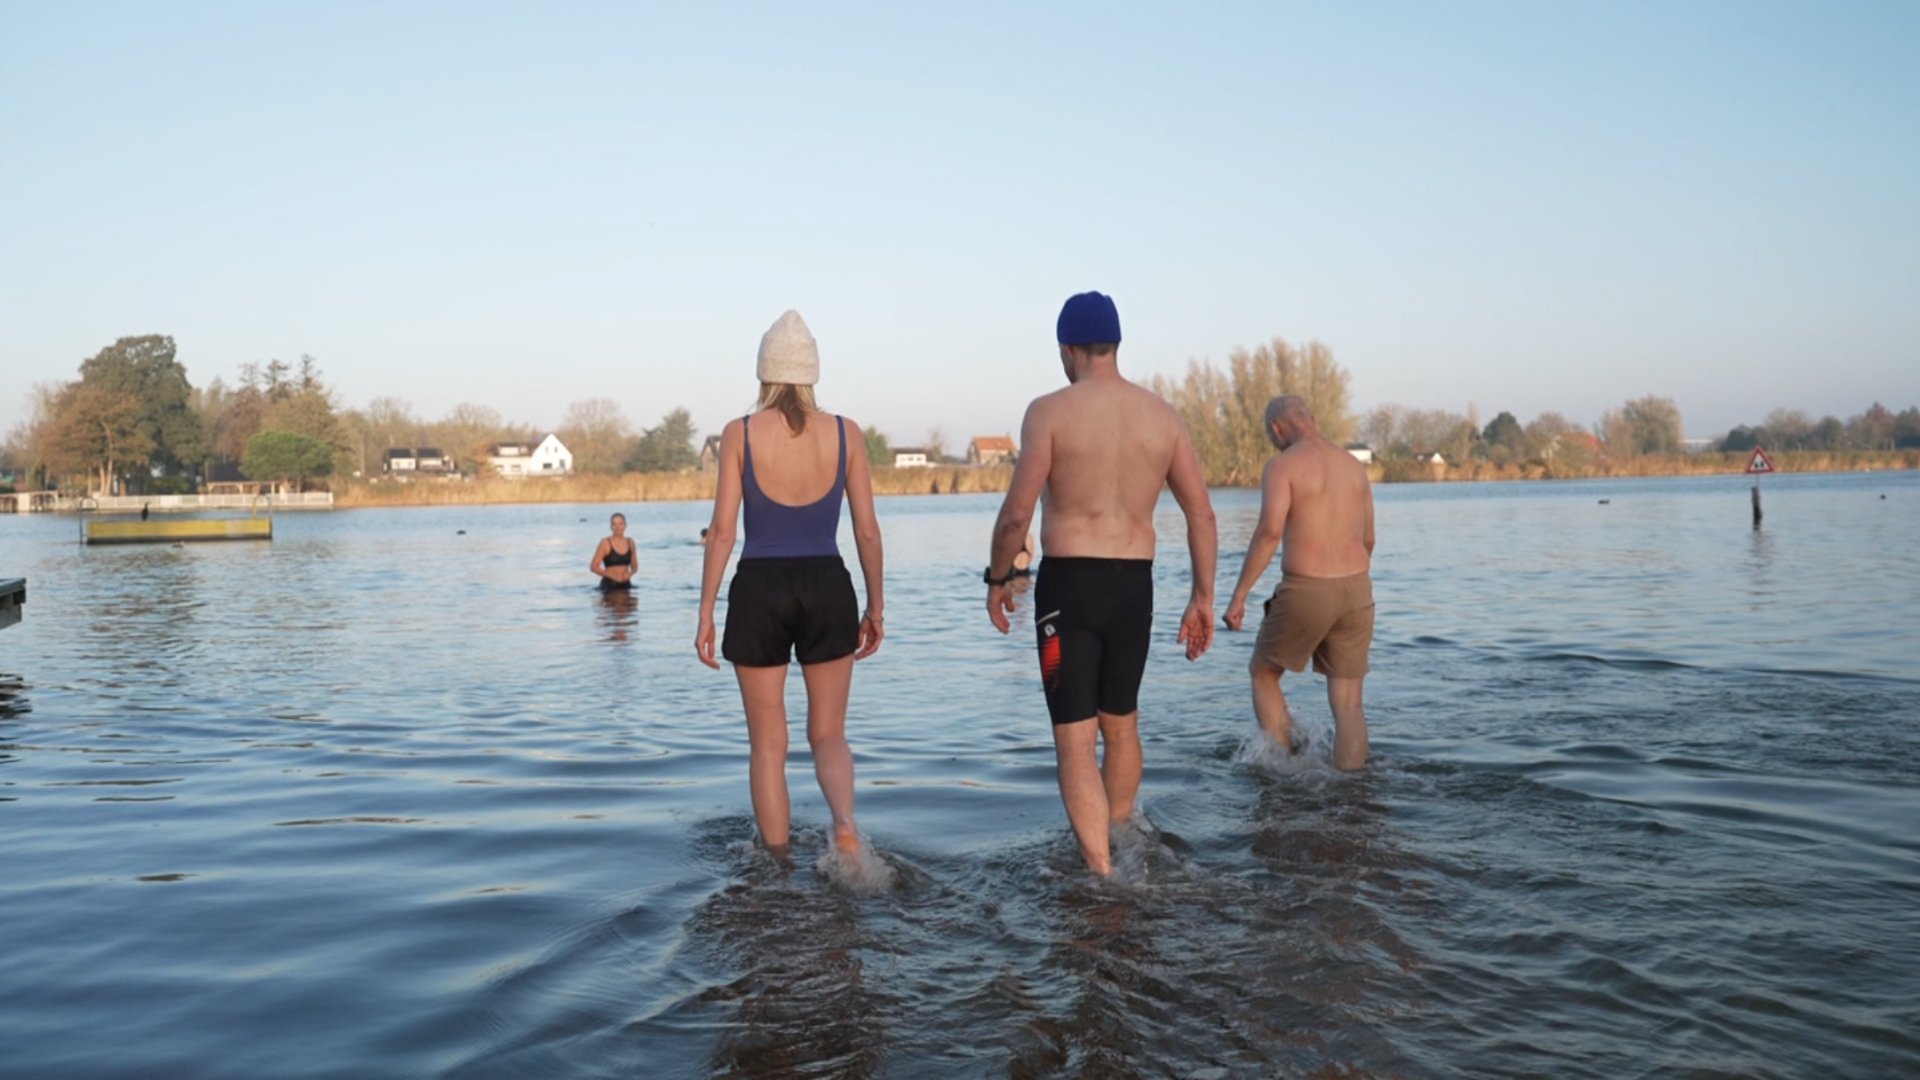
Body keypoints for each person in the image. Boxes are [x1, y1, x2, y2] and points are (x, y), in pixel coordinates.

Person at [986, 291, 1218, 877]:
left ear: (1069, 349)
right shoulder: (1162, 416)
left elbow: (1016, 516)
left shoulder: (1049, 412)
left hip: (1069, 588)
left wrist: (996, 578)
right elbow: (1202, 515)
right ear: (1114, 345)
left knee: (1073, 738)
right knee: (1122, 724)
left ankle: (1102, 877)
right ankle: (1120, 836)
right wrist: (1202, 598)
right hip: (1134, 588)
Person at [697, 310, 885, 857]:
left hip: (759, 588)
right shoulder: (848, 434)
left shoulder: (740, 433)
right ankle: (845, 825)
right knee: (828, 733)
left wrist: (706, 610)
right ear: (811, 373)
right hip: (828, 583)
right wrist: (875, 607)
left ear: (764, 372)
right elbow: (867, 531)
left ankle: (775, 867)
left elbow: (723, 532)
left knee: (768, 746)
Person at [1223, 394, 1376, 771]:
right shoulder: (1353, 466)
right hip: (1358, 590)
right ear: (1313, 418)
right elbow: (1369, 538)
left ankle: (1285, 769)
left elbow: (1269, 534)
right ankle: (1352, 791)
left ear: (1276, 429)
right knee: (1349, 704)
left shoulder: (1282, 466)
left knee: (1263, 673)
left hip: (1307, 588)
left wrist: (1239, 596)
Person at [590, 512, 636, 591]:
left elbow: (635, 566)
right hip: (609, 585)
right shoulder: (605, 543)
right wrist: (613, 576)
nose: (617, 527)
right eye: (614, 524)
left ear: (625, 525)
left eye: (620, 524)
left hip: (626, 584)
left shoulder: (630, 542)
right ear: (611, 527)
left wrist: (630, 573)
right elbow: (593, 567)